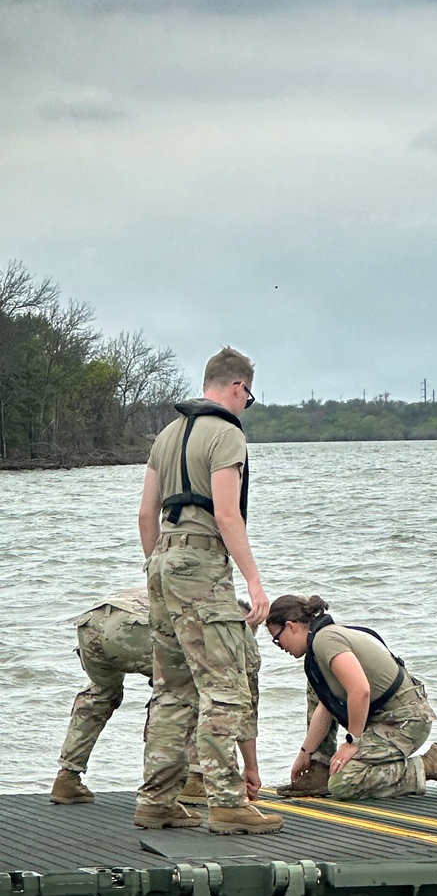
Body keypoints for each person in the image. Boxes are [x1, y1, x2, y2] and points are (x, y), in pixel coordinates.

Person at [135, 346, 281, 834]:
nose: (246, 404)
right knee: (225, 688)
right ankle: (226, 801)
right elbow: (226, 513)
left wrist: (158, 566)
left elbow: (145, 514)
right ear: (238, 387)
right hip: (202, 562)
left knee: (171, 688)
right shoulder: (226, 435)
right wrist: (255, 583)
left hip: (162, 562)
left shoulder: (167, 435)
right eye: (249, 396)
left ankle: (156, 798)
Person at [49, 588, 262, 805]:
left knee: (101, 692)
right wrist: (251, 768)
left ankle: (67, 777)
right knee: (198, 689)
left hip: (91, 621)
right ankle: (194, 778)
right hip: (137, 626)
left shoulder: (198, 600)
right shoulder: (235, 626)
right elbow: (246, 704)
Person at [266, 594, 437, 801]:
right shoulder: (318, 646)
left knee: (343, 783)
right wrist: (305, 754)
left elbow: (360, 690)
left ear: (291, 626)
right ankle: (320, 770)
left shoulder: (325, 641)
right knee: (315, 687)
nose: (279, 646)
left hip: (405, 722)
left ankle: (429, 765)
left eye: (277, 639)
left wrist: (352, 742)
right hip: (384, 719)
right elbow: (325, 707)